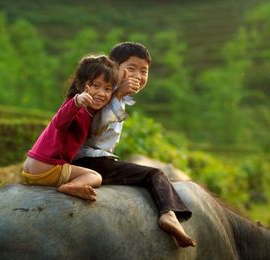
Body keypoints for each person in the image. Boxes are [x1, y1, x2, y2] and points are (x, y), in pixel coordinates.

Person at [72, 42, 196, 247]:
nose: (138, 75)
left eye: (144, 71)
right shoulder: (103, 94)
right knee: (155, 174)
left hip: (97, 158)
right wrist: (117, 95)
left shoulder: (115, 96)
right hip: (89, 159)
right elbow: (95, 129)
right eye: (131, 68)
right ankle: (168, 214)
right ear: (114, 68)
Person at [22, 54, 119, 202]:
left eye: (107, 89)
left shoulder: (90, 111)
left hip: (32, 165)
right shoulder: (76, 106)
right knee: (95, 177)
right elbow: (59, 121)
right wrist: (77, 101)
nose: (101, 93)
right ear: (81, 85)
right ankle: (72, 186)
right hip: (48, 167)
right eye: (95, 86)